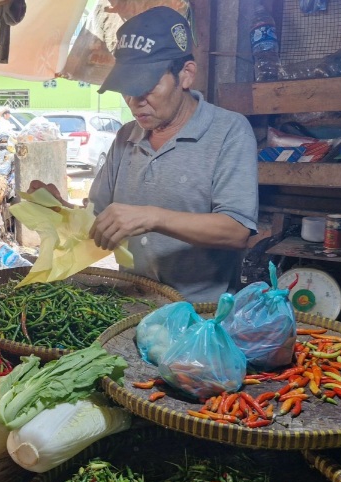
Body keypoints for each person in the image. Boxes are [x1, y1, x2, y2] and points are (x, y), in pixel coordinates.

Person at [29, 6, 258, 302]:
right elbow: (98, 222)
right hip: (131, 306)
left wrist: (152, 217)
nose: (135, 101)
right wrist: (59, 208)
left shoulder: (229, 131)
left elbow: (237, 231)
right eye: (126, 88)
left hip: (200, 315)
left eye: (147, 86)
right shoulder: (126, 136)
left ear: (186, 75)